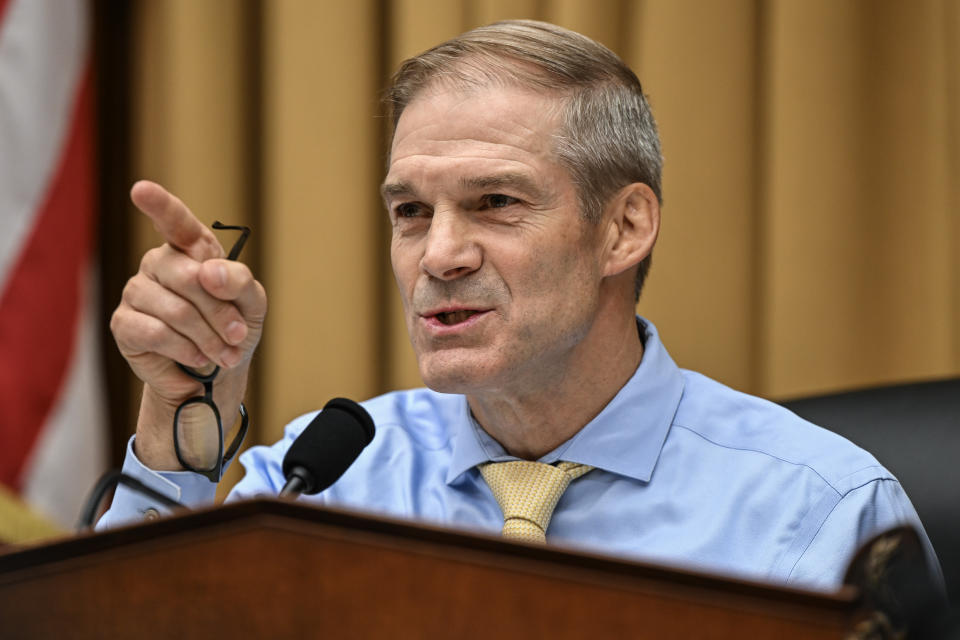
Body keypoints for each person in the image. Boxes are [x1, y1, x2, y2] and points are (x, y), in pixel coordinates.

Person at [101, 20, 940, 592]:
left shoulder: (821, 511)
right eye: (411, 212)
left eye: (497, 202)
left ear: (624, 228)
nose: (439, 255)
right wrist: (177, 432)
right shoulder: (328, 479)